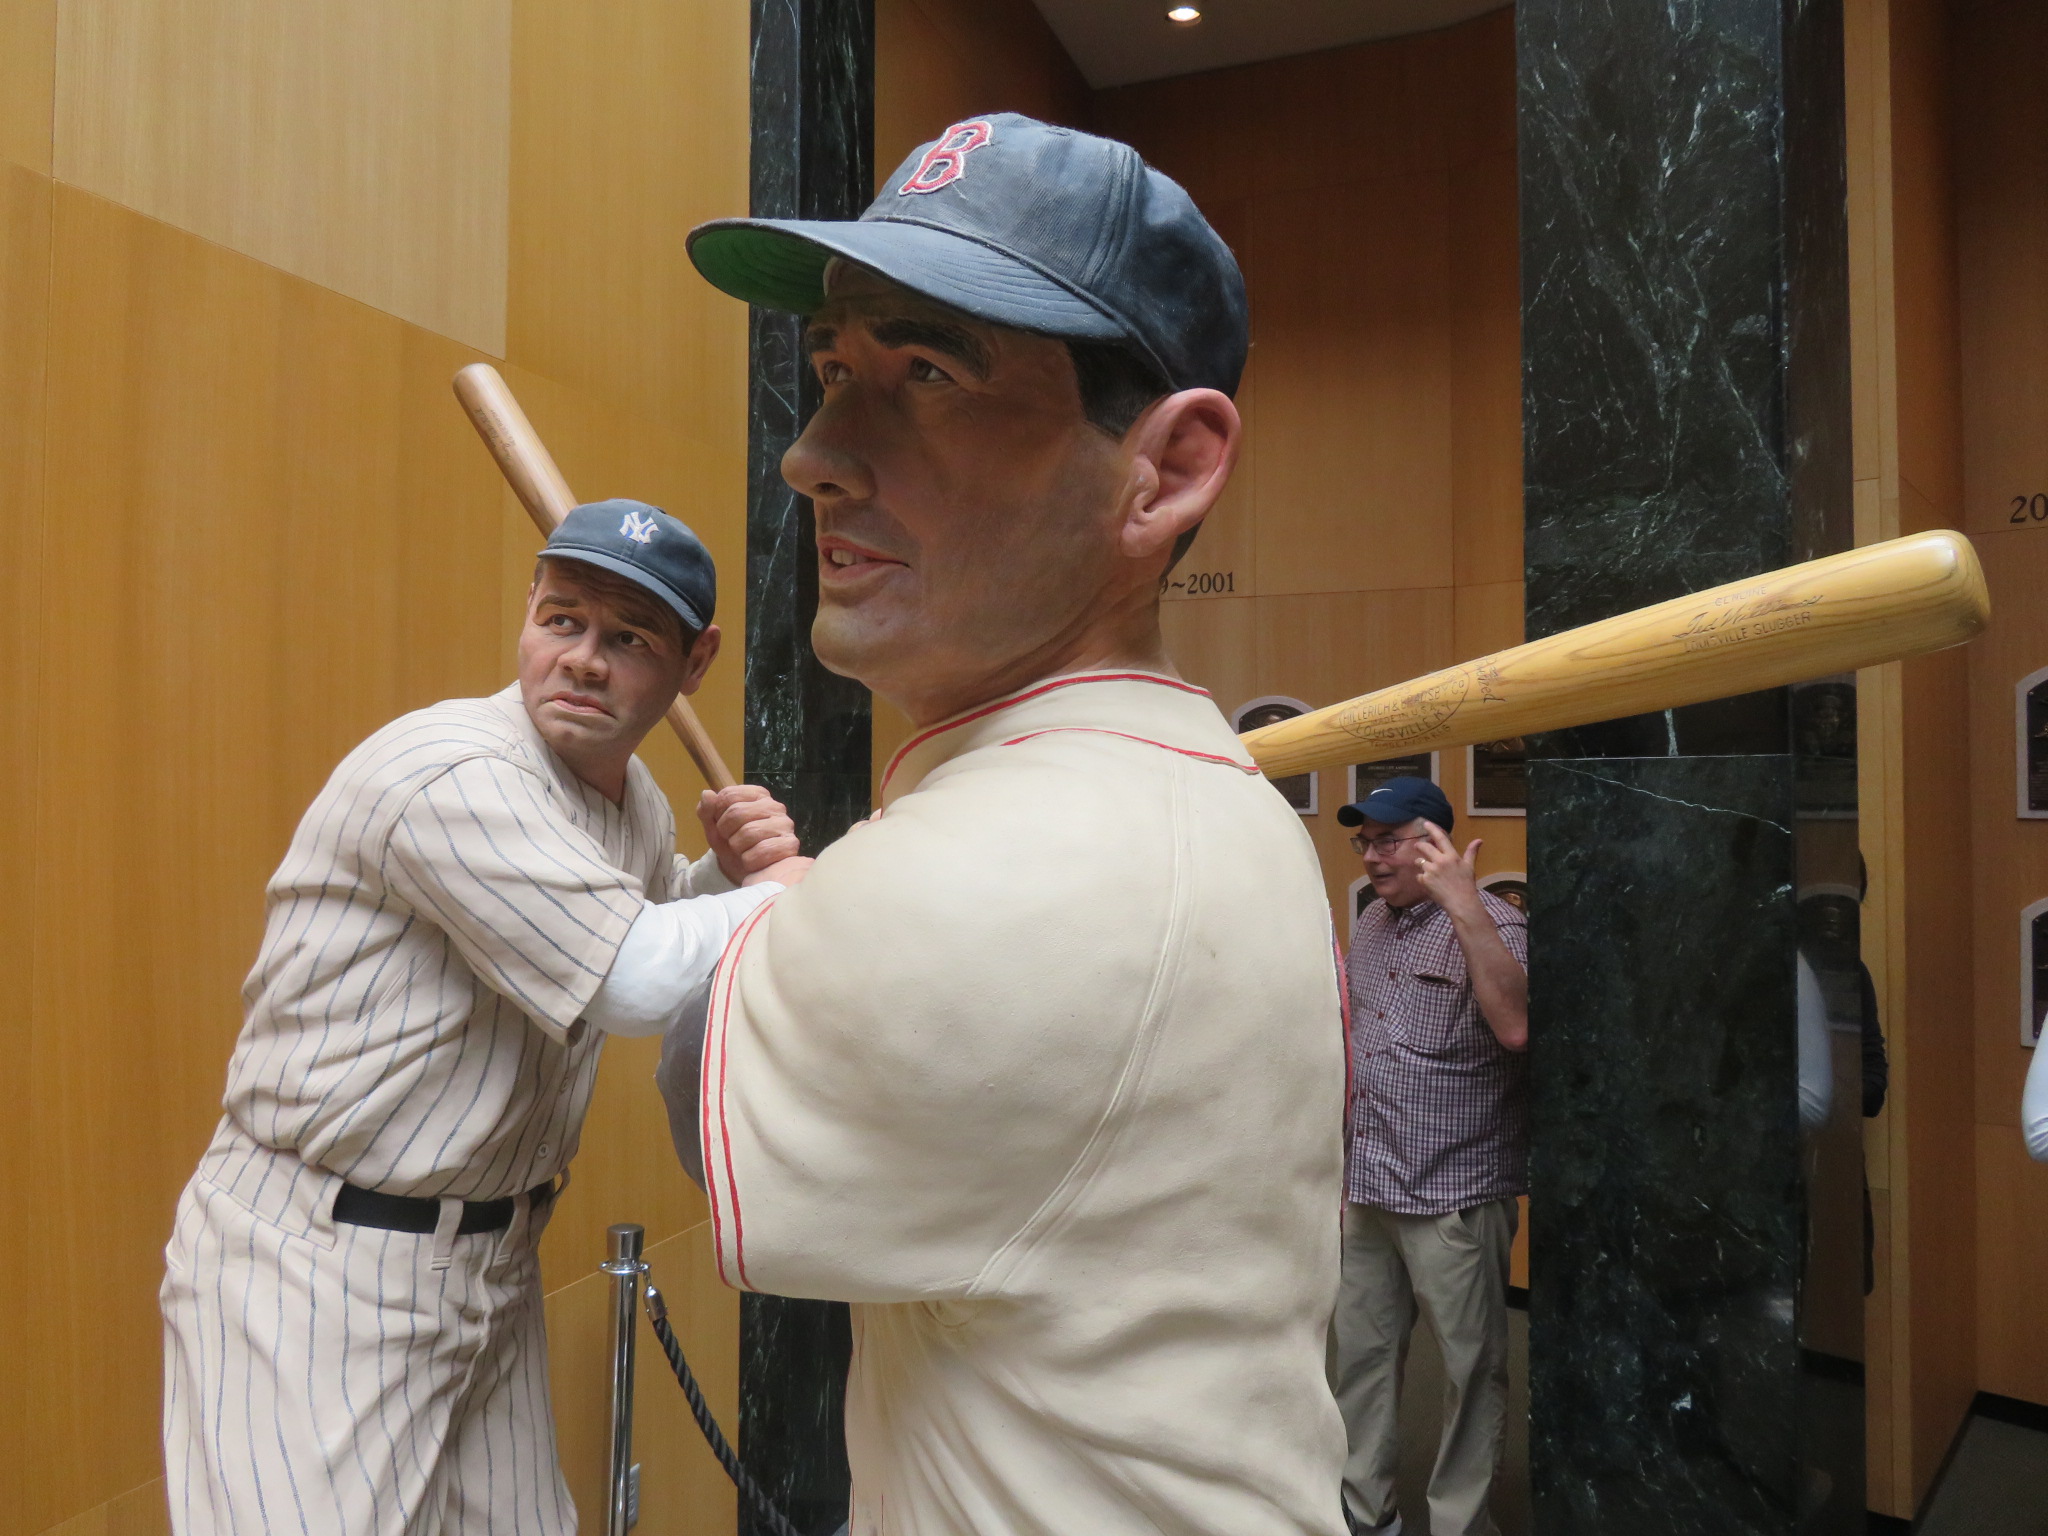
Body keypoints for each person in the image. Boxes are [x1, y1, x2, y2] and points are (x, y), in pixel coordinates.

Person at [658, 114, 1349, 1535]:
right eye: (836, 372)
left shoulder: (1031, 865)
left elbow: (689, 1072)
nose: (814, 456)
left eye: (927, 373)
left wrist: (777, 913)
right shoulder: (1178, 781)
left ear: (1162, 471)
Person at [160, 500, 809, 1535]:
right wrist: (780, 896)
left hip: (488, 1259)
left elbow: (617, 935)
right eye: (562, 621)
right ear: (527, 617)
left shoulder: (629, 797)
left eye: (629, 639)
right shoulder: (453, 773)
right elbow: (631, 979)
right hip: (318, 1263)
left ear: (695, 664)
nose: (584, 661)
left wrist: (713, 881)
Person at [1330, 775, 1528, 1536]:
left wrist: (1464, 904)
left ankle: (1461, 1525)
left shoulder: (1496, 926)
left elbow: (1515, 1028)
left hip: (1453, 1192)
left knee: (1469, 1375)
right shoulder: (1375, 923)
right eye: (1366, 842)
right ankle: (1363, 1517)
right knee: (1363, 1362)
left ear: (1437, 844)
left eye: (1390, 839)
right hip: (1371, 1187)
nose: (1374, 857)